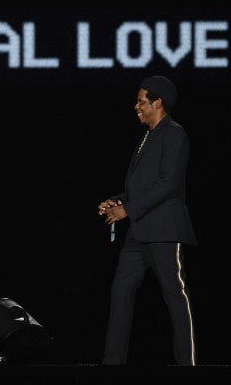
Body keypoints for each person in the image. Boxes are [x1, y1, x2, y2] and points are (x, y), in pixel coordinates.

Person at [97, 75, 197, 366]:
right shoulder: (146, 137)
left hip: (164, 231)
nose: (136, 106)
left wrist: (127, 210)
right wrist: (117, 201)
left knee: (175, 295)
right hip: (138, 233)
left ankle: (189, 367)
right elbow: (137, 189)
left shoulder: (174, 133)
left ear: (158, 102)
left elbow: (168, 183)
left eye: (142, 101)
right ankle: (112, 365)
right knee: (121, 293)